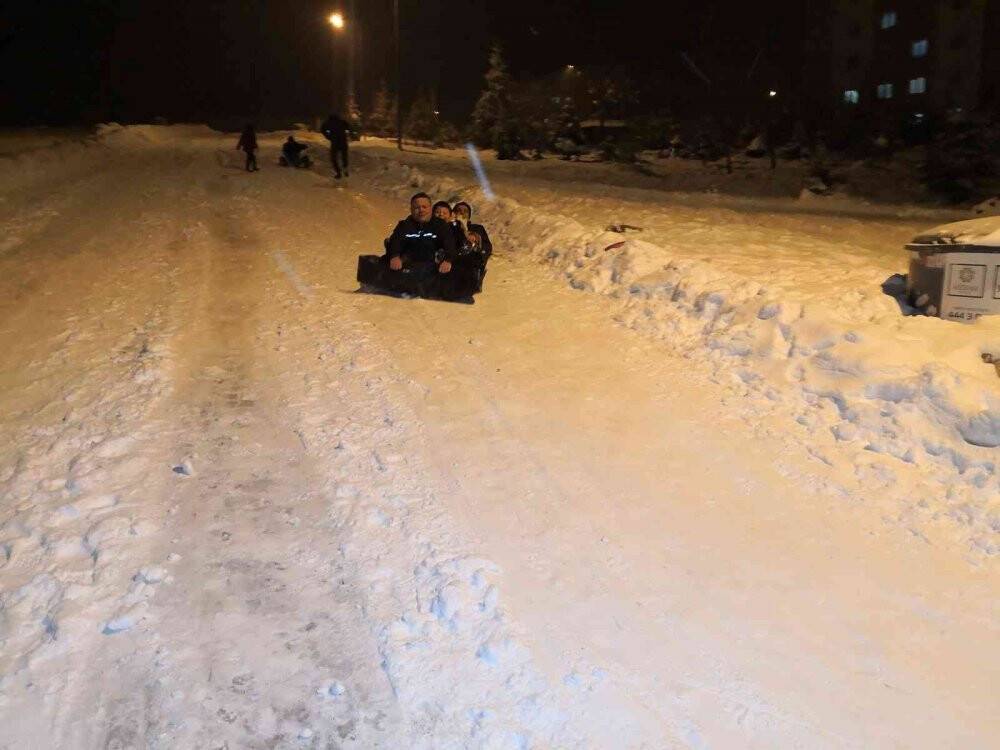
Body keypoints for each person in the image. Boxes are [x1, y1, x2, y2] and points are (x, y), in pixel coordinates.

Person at [321, 113, 351, 179]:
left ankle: (338, 172)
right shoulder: (342, 122)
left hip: (335, 143)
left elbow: (322, 129)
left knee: (333, 158)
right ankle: (345, 169)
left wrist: (329, 137)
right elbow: (349, 128)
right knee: (344, 157)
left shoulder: (328, 123)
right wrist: (346, 135)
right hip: (343, 142)